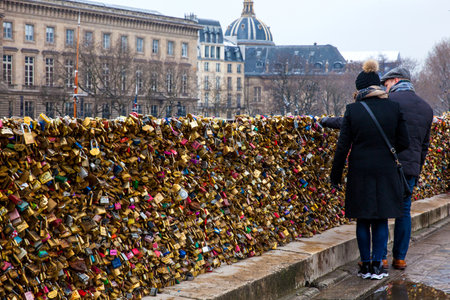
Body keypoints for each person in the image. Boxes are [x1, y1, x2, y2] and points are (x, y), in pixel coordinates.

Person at [330, 60, 410, 280]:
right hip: (386, 171)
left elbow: (342, 147)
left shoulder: (353, 110)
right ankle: (379, 266)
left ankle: (365, 266)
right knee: (381, 219)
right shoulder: (394, 108)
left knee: (363, 219)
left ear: (361, 89)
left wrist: (335, 175)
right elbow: (404, 141)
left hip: (360, 171)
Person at [380, 67, 433, 270]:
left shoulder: (389, 102)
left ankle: (381, 257)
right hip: (410, 168)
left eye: (386, 85)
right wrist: (417, 168)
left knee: (383, 211)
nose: (385, 89)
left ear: (395, 80)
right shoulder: (426, 108)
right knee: (404, 211)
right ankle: (400, 258)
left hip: (389, 164)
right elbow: (425, 145)